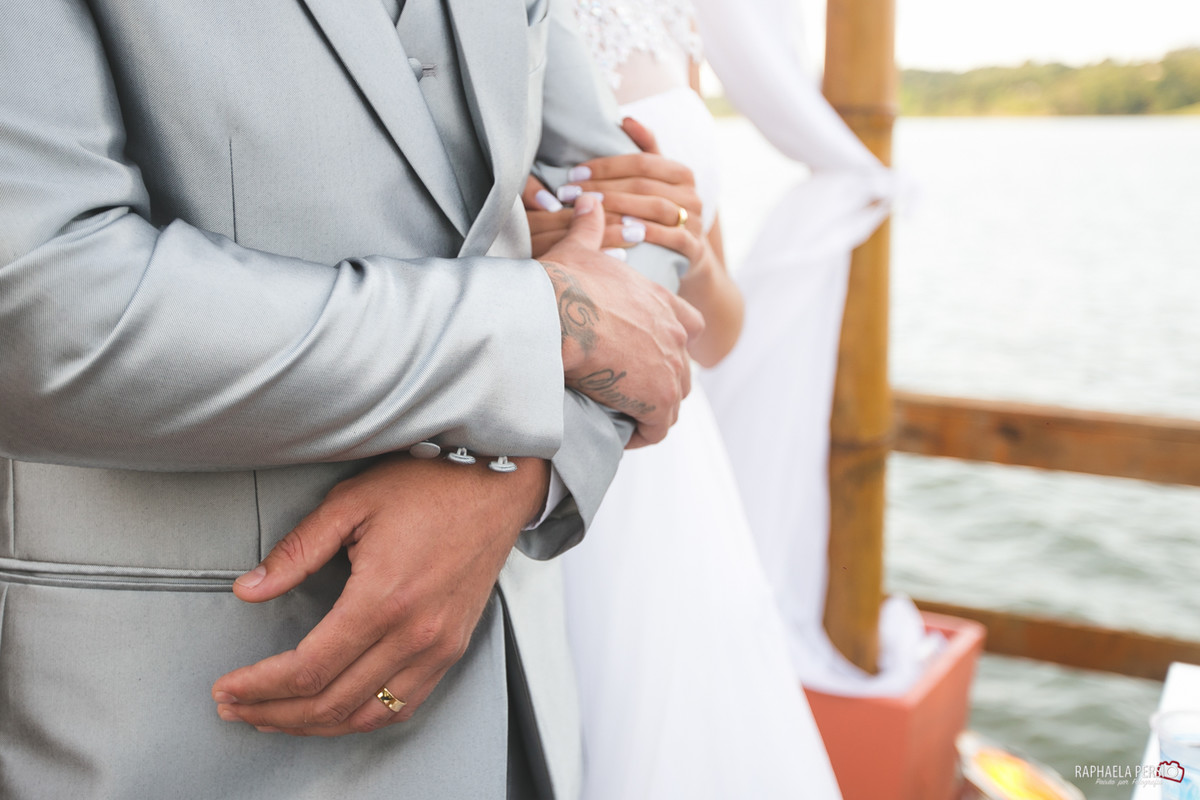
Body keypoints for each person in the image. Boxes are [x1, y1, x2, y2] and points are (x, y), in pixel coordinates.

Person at [0, 1, 702, 798]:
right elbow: (46, 318)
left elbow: (631, 213)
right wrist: (540, 325)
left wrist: (515, 477)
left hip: (513, 688)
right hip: (176, 718)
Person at [523, 0, 844, 796]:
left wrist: (688, 243)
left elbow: (720, 332)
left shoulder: (672, 19)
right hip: (533, 428)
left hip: (678, 469)